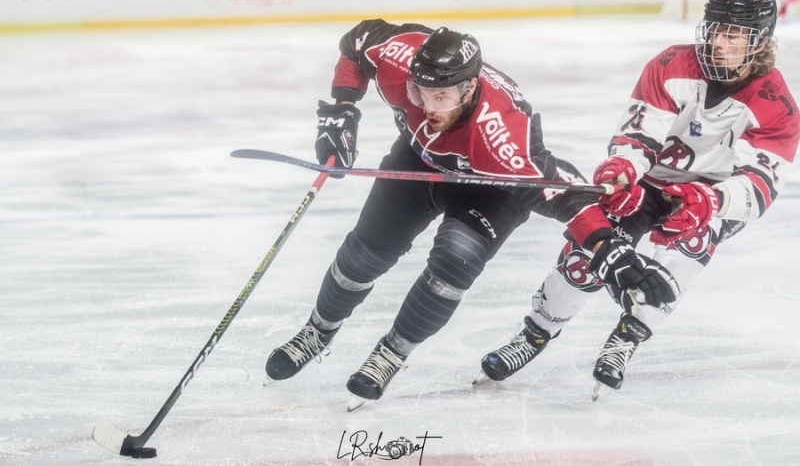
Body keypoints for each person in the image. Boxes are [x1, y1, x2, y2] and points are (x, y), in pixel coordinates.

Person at [261, 20, 678, 411]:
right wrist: (344, 107)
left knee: (455, 259)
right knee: (366, 252)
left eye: (440, 97)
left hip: (491, 186)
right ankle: (318, 330)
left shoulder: (502, 137)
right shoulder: (400, 58)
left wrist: (609, 250)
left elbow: (563, 194)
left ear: (469, 88)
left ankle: (391, 353)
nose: (425, 105)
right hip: (420, 160)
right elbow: (356, 43)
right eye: (418, 91)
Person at [476, 0, 799, 400]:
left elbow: (759, 184)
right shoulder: (671, 63)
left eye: (734, 34)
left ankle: (625, 340)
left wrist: (713, 201)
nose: (720, 42)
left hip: (709, 197)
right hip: (648, 182)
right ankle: (535, 333)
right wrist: (623, 171)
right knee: (587, 253)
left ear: (760, 41)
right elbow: (641, 135)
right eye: (716, 29)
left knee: (686, 253)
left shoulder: (778, 104)